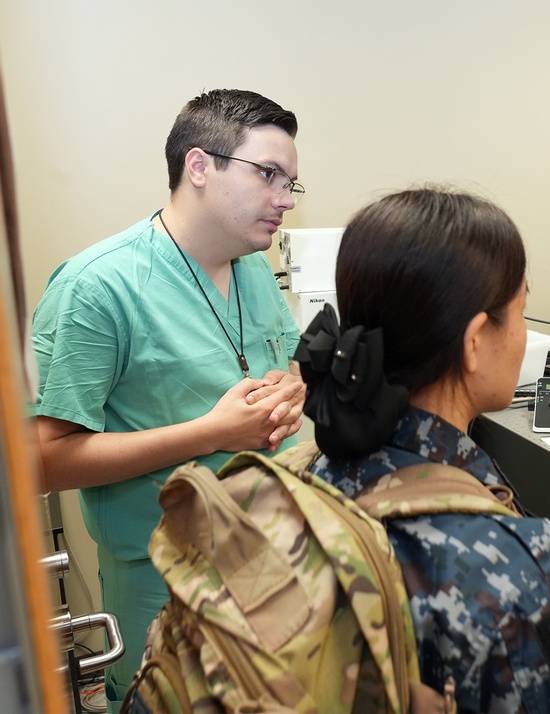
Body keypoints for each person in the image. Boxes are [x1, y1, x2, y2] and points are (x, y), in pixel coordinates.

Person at [30, 89, 306, 705]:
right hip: (162, 574)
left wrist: (291, 389)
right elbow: (40, 461)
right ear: (199, 167)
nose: (285, 199)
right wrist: (213, 432)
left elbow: (279, 366)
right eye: (269, 175)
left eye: (292, 183)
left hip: (265, 549)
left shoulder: (252, 268)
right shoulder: (98, 287)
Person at [297, 188, 550, 713]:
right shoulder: (502, 571)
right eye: (520, 312)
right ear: (473, 343)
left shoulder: (308, 473)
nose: (524, 334)